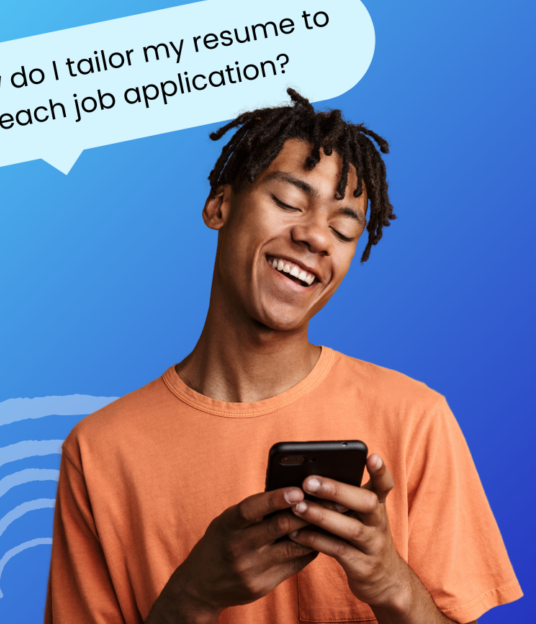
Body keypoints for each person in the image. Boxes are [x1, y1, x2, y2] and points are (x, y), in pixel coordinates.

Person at [44, 90, 522, 623]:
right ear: (218, 205)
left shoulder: (416, 419)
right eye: (290, 202)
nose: (317, 235)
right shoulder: (100, 451)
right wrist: (193, 598)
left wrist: (390, 581)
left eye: (344, 230)